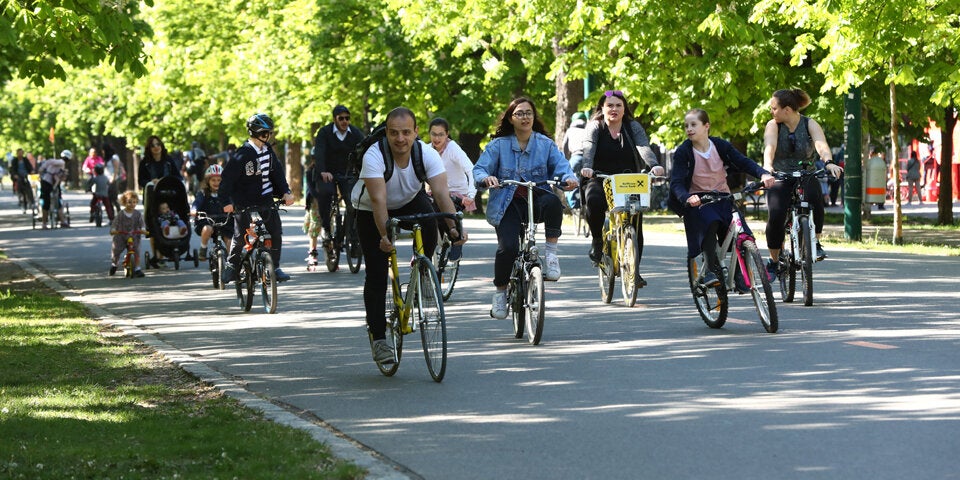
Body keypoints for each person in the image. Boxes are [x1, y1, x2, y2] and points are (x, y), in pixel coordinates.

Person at [351, 107, 466, 365]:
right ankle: (379, 338)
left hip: (409, 199)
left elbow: (441, 194)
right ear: (387, 133)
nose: (400, 139)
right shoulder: (374, 155)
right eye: (394, 133)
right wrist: (385, 236)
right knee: (377, 273)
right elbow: (379, 201)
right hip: (370, 209)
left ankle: (422, 270)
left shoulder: (426, 153)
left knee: (430, 221)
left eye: (406, 132)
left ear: (416, 132)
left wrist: (454, 228)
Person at [473, 97, 578, 319]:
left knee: (553, 202)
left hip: (535, 200)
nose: (525, 117)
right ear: (511, 119)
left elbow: (562, 167)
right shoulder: (498, 145)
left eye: (528, 113)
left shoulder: (545, 144)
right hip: (507, 204)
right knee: (508, 248)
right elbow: (479, 169)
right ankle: (500, 293)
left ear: (534, 116)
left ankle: (551, 255)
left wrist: (569, 179)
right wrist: (486, 178)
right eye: (519, 113)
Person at [670, 108, 775, 286]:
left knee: (742, 230)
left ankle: (740, 274)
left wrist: (763, 174)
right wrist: (687, 198)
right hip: (698, 200)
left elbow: (742, 161)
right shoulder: (684, 151)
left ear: (706, 126)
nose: (689, 129)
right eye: (686, 126)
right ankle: (710, 270)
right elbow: (676, 182)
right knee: (709, 222)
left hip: (722, 196)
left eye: (693, 124)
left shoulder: (719, 145)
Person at [579, 90, 665, 268]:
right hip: (600, 177)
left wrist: (654, 164)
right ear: (602, 108)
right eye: (610, 105)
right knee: (593, 201)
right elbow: (588, 148)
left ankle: (635, 271)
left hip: (629, 180)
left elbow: (643, 146)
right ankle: (597, 240)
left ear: (624, 109)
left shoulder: (632, 126)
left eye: (618, 105)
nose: (614, 109)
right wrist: (587, 166)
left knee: (635, 221)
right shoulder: (595, 126)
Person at [762, 88, 843, 276]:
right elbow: (769, 147)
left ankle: (815, 242)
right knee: (776, 215)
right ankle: (774, 260)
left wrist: (829, 162)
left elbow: (821, 145)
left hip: (805, 173)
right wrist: (767, 166)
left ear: (787, 110)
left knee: (816, 202)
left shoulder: (809, 124)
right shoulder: (773, 125)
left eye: (774, 108)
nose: (771, 111)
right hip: (780, 175)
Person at [221, 113, 295, 284]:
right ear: (255, 133)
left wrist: (286, 192)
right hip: (243, 202)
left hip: (265, 200)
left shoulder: (268, 151)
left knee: (275, 231)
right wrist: (226, 202)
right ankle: (232, 265)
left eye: (269, 133)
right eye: (264, 133)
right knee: (241, 235)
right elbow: (227, 180)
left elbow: (277, 174)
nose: (267, 136)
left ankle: (274, 267)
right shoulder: (242, 154)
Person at [311, 105, 365, 262]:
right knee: (326, 193)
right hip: (327, 173)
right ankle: (327, 228)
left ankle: (353, 238)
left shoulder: (355, 133)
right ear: (335, 119)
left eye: (347, 118)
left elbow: (363, 151)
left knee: (353, 203)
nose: (344, 121)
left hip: (347, 174)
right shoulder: (324, 132)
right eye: (341, 118)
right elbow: (320, 153)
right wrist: (323, 171)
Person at [428, 117, 476, 261]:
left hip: (457, 193)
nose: (437, 138)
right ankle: (423, 251)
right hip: (435, 192)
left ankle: (458, 236)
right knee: (425, 213)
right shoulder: (427, 150)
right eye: (433, 134)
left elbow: (471, 170)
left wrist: (471, 194)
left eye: (441, 134)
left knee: (442, 209)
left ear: (447, 134)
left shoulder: (452, 148)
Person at [192, 164, 232, 261]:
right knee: (207, 229)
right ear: (208, 181)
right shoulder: (203, 193)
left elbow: (233, 202)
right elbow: (197, 203)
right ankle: (203, 248)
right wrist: (194, 210)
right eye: (213, 180)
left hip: (224, 221)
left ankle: (232, 260)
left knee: (229, 241)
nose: (216, 182)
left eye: (219, 180)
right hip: (207, 220)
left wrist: (235, 207)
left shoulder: (226, 193)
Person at [109, 190, 147, 277]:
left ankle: (137, 268)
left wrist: (143, 229)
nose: (132, 204)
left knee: (136, 250)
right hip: (121, 235)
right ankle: (114, 264)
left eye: (134, 202)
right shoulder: (121, 214)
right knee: (116, 250)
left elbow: (141, 223)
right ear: (124, 202)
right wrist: (113, 229)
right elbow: (115, 222)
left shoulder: (137, 214)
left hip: (134, 235)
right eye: (129, 202)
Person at [560, 112, 588, 209]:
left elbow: (565, 147)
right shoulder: (588, 130)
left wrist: (565, 161)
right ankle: (586, 203)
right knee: (587, 182)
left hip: (575, 158)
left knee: (571, 180)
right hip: (587, 160)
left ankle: (574, 205)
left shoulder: (570, 131)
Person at [38, 150, 70, 229]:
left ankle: (45, 223)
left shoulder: (61, 164)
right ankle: (62, 221)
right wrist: (42, 168)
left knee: (48, 202)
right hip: (49, 182)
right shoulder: (61, 162)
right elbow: (50, 161)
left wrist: (42, 168)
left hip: (50, 182)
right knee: (56, 201)